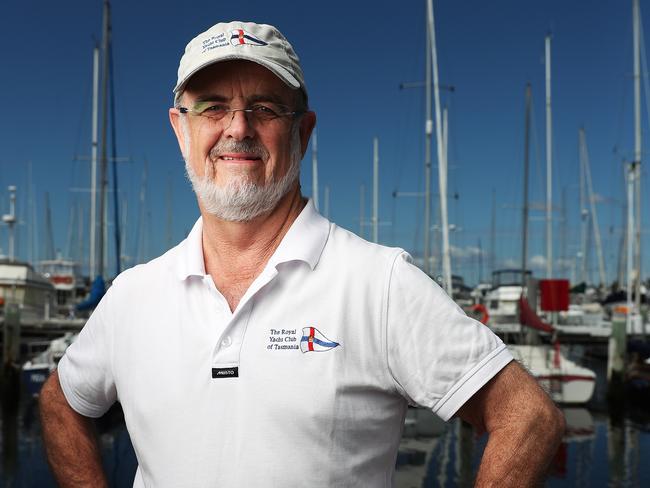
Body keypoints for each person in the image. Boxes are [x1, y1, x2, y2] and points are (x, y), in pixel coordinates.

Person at [40, 20, 564, 487]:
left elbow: (529, 418)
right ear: (181, 129)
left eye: (264, 108)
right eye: (212, 107)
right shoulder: (135, 295)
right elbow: (61, 404)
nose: (238, 128)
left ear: (302, 131)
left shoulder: (377, 284)